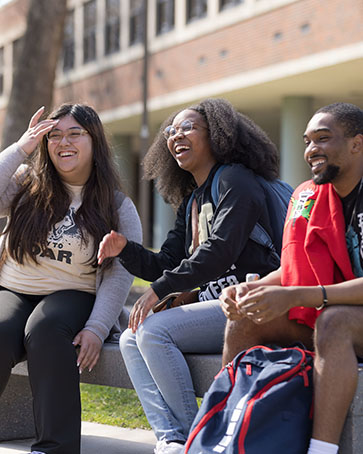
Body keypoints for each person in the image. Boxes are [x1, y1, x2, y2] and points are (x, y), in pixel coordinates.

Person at [97, 98, 285, 454]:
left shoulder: (236, 180)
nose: (175, 136)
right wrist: (125, 250)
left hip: (254, 305)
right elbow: (167, 262)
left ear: (217, 135)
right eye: (171, 131)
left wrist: (158, 292)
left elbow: (220, 252)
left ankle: (197, 439)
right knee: (130, 337)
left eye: (187, 128)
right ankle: (171, 436)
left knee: (153, 331)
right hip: (218, 308)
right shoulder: (194, 199)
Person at [220, 102, 363, 454]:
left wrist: (298, 296)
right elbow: (294, 269)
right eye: (307, 140)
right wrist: (249, 290)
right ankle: (225, 431)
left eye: (323, 138)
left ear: (357, 144)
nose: (311, 149)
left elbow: (302, 289)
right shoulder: (311, 196)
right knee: (244, 321)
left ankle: (322, 450)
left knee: (333, 321)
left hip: (342, 318)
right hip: (331, 311)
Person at [0, 104, 142, 454]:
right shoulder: (24, 185)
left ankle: (54, 449)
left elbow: (121, 273)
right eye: (54, 135)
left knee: (45, 331)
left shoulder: (117, 207)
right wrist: (22, 146)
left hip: (72, 294)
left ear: (95, 142)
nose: (64, 141)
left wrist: (96, 327)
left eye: (75, 133)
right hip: (14, 288)